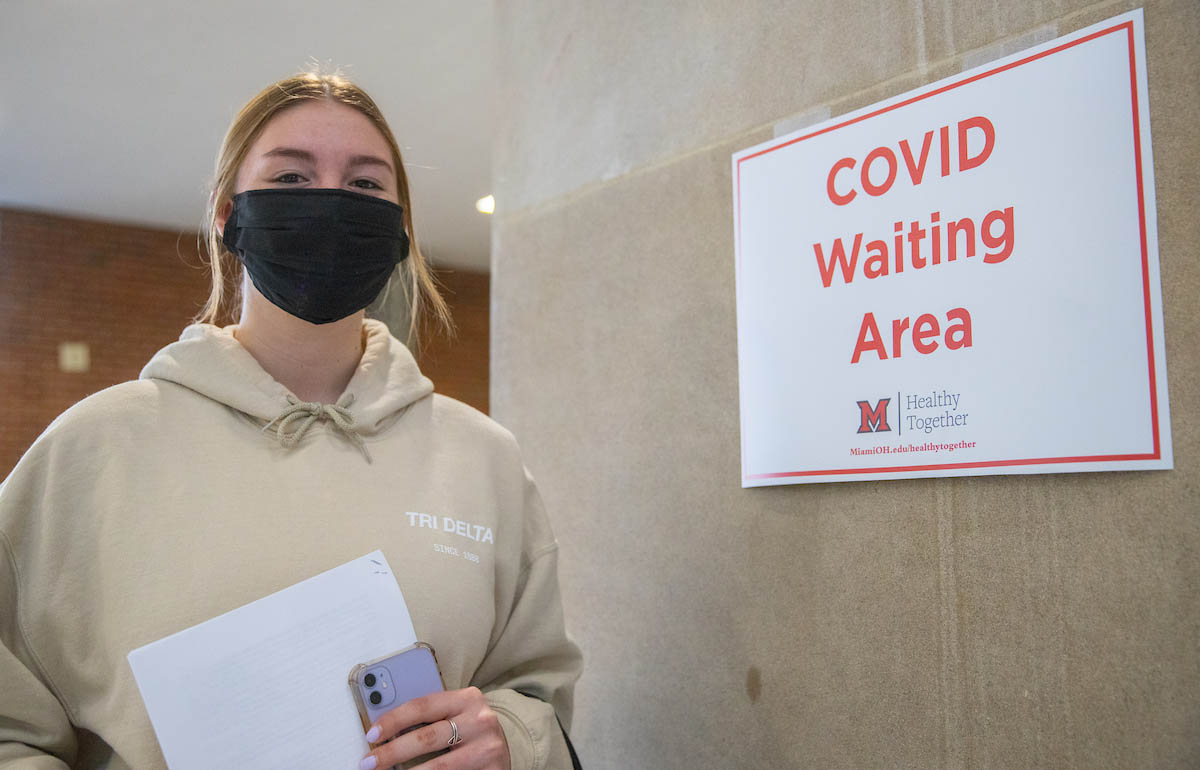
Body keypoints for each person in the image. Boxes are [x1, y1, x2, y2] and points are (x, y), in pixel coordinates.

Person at [0, 71, 582, 770]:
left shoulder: (482, 459)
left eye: (366, 185)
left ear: (399, 231)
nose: (331, 202)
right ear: (227, 214)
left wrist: (511, 741)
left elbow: (539, 694)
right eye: (292, 179)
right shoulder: (90, 449)